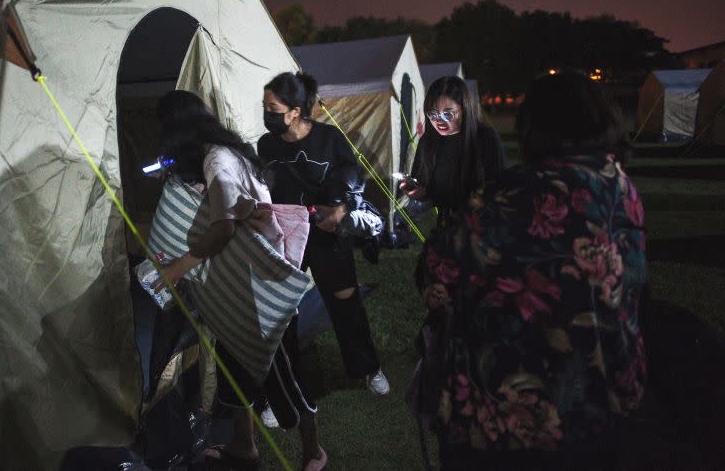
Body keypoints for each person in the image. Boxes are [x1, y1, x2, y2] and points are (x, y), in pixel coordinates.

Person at [415, 71, 647, 470]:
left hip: (503, 416)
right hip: (599, 404)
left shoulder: (507, 195)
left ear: (532, 131)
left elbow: (437, 282)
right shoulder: (622, 188)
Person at [150, 90, 327, 471]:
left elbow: (225, 228)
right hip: (240, 277)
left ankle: (315, 452)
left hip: (260, 281)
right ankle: (244, 446)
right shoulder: (221, 153)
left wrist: (181, 265)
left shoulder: (217, 159)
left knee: (281, 374)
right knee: (234, 367)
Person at [258, 72, 389, 395]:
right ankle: (287, 386)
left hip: (327, 234)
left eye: (273, 108)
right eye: (265, 107)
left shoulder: (328, 138)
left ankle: (367, 368)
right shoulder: (266, 145)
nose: (267, 114)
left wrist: (342, 209)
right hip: (286, 238)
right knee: (283, 311)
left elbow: (354, 176)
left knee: (345, 303)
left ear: (295, 112)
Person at [403, 76, 506, 223]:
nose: (439, 121)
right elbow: (425, 186)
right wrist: (417, 191)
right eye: (433, 114)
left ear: (464, 109)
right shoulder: (428, 141)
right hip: (447, 225)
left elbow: (499, 189)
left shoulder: (484, 138)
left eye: (447, 114)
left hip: (481, 225)